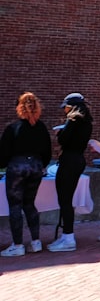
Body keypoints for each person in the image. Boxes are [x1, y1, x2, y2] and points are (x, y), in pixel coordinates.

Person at [0, 92, 51, 256]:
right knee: (29, 204)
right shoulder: (41, 127)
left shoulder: (13, 128)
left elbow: (3, 153)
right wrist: (42, 164)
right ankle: (36, 242)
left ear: (19, 108)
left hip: (17, 167)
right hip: (35, 166)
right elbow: (48, 151)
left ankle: (18, 244)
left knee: (15, 205)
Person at [48, 93, 93, 252]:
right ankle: (67, 235)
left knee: (65, 200)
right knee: (67, 200)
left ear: (71, 106)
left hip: (69, 161)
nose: (64, 110)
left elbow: (63, 140)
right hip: (78, 160)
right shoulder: (87, 121)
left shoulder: (73, 120)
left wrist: (59, 134)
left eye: (66, 107)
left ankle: (68, 237)